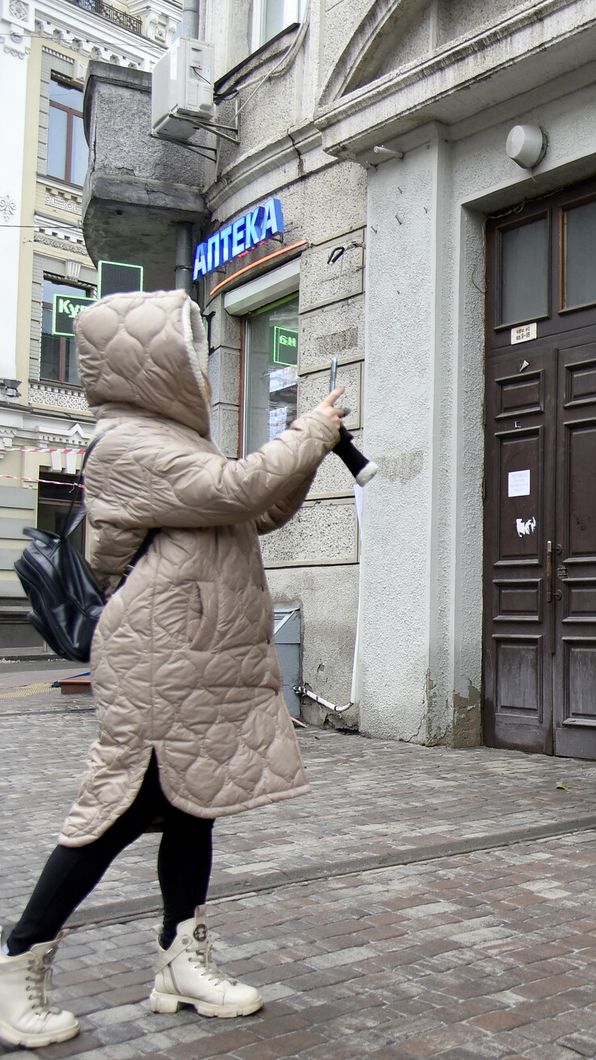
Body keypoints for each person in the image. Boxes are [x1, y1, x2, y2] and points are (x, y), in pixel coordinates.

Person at [0, 289, 348, 1049]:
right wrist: (308, 430)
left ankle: (179, 962)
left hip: (199, 654)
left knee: (194, 802)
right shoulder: (127, 445)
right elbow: (236, 490)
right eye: (186, 353)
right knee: (123, 804)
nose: (198, 368)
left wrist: (309, 453)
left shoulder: (176, 442)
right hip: (159, 656)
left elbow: (257, 511)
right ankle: (19, 957)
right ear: (150, 362)